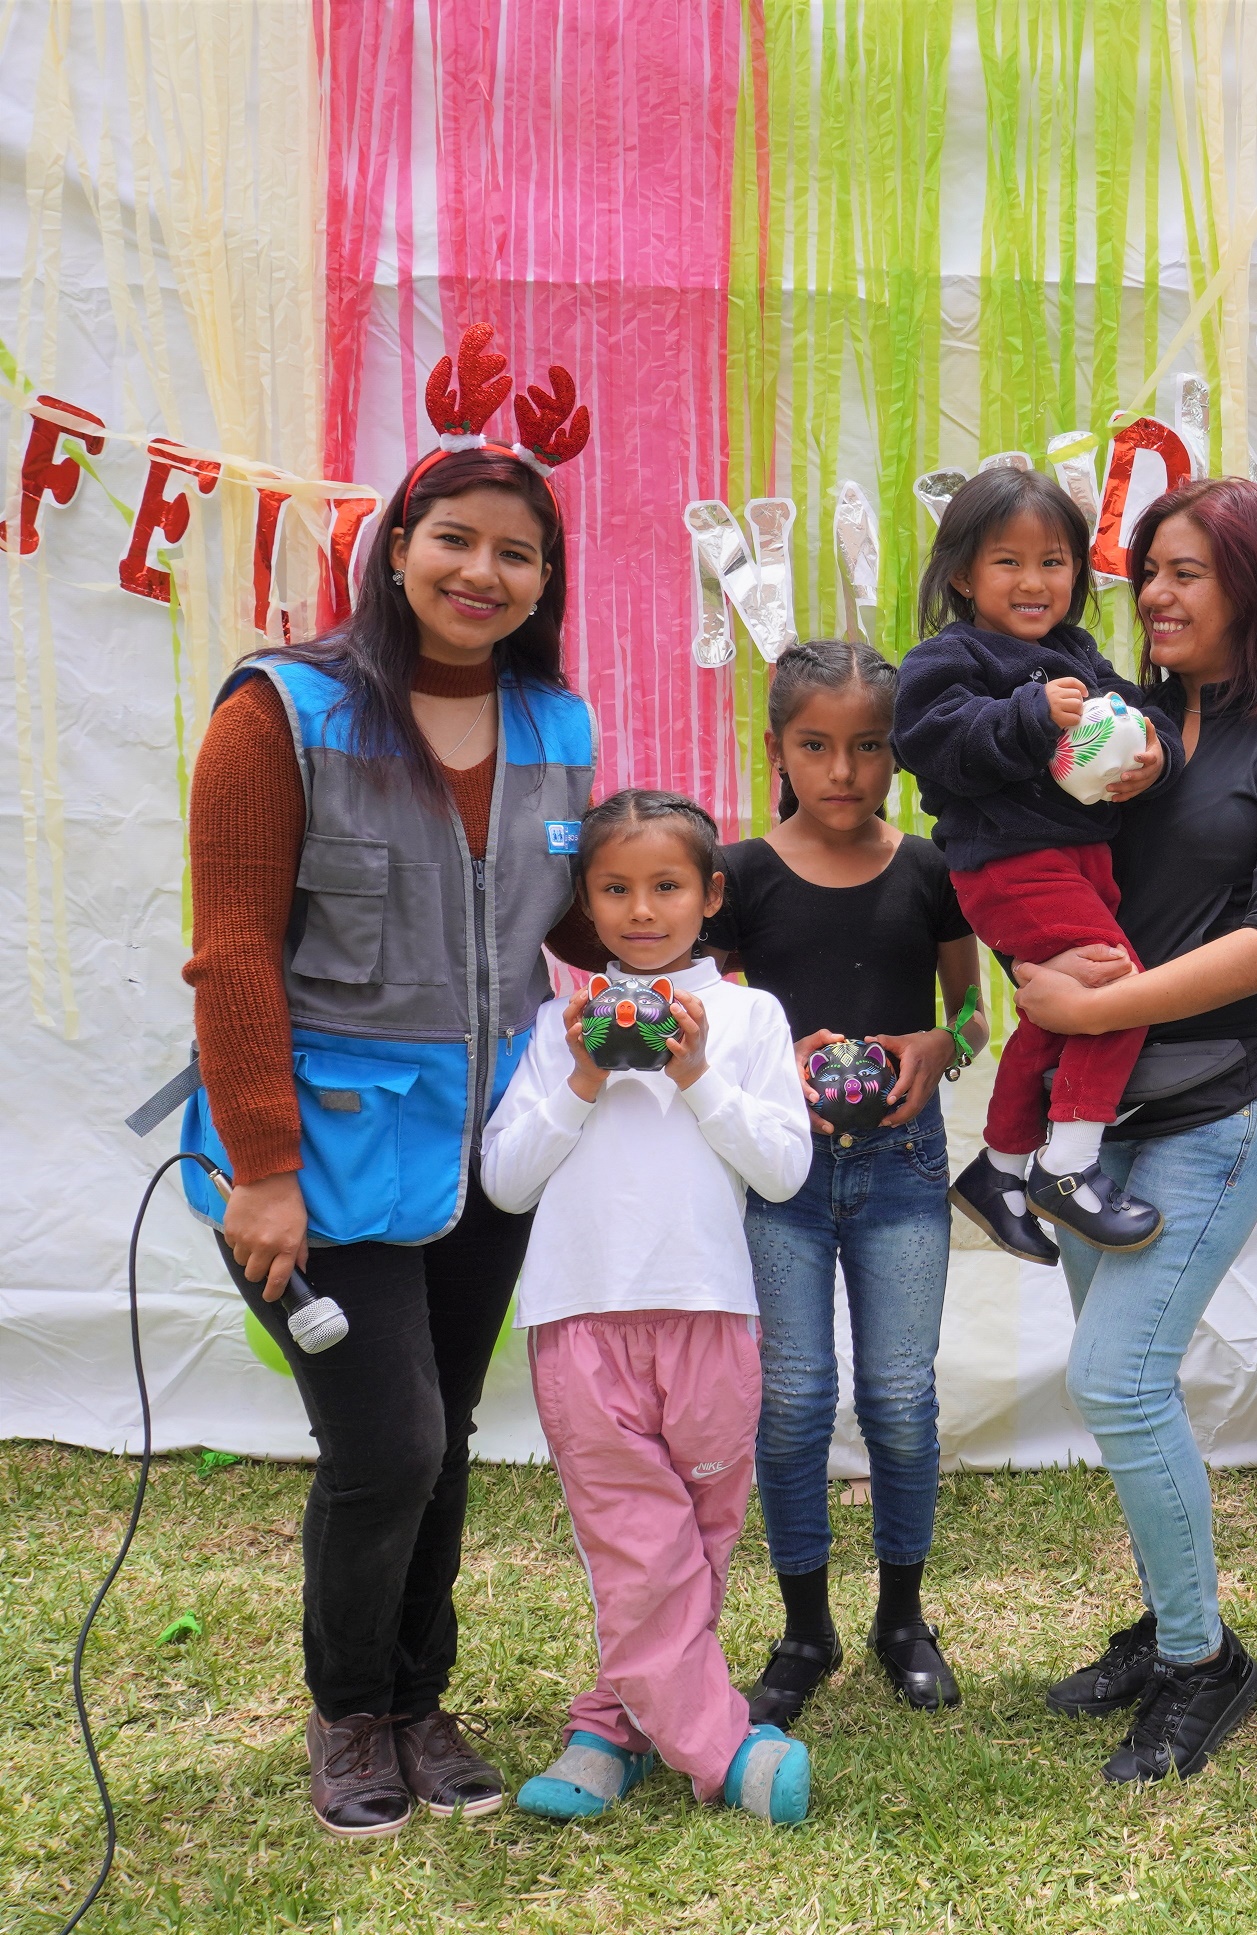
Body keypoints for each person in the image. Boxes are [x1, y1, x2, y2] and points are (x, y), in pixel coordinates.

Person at [176, 336, 601, 1837]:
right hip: (323, 1156)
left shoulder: (559, 726)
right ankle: (350, 1708)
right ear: (395, 548)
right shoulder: (281, 711)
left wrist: (718, 955)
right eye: (454, 540)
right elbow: (230, 951)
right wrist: (263, 1167)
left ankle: (424, 1697)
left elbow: (576, 917)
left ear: (547, 578)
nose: (481, 572)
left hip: (491, 1152)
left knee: (450, 1433)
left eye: (516, 552)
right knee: (389, 1441)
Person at [1004, 478, 1257, 1782]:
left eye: (1188, 570)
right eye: (1146, 568)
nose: (1153, 590)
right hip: (1088, 1116)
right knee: (1122, 1381)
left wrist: (1096, 997)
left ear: (1255, 585)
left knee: (1113, 1376)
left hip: (1216, 1104)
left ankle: (1205, 1663)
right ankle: (1171, 1622)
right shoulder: (1123, 718)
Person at [481, 789, 815, 1826]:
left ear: (709, 896)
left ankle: (608, 1728)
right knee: (635, 1541)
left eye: (664, 886)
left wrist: (698, 1071)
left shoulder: (752, 1019)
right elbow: (505, 1181)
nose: (640, 910)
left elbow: (784, 1172)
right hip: (581, 1318)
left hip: (712, 1313)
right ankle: (724, 1754)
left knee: (696, 1540)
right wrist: (582, 1076)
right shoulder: (556, 1030)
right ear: (585, 904)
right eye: (614, 890)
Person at [709, 639, 988, 1726]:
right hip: (778, 1173)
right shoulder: (739, 876)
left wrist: (937, 1043)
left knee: (899, 1401)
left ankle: (903, 1619)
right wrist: (768, 1064)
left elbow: (972, 1015)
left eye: (869, 748)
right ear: (777, 747)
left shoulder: (927, 869)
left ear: (898, 756)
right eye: (816, 747)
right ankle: (805, 1627)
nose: (843, 772)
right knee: (793, 1402)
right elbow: (712, 1030)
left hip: (902, 1166)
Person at [892, 467, 1176, 1259]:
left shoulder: (1076, 651)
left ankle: (1001, 1167)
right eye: (1007, 562)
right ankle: (1068, 1167)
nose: (1033, 580)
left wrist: (1159, 756)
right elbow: (933, 742)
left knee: (1059, 1012)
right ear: (961, 575)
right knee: (1122, 991)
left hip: (1079, 863)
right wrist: (1025, 712)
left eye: (1053, 562)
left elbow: (1144, 712)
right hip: (1012, 866)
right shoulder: (944, 659)